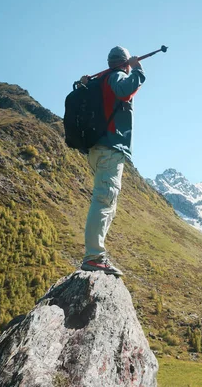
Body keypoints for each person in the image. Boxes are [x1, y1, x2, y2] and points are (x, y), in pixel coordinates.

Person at [80, 46, 146, 276]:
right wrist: (138, 70)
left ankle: (95, 255)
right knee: (104, 200)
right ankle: (94, 256)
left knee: (105, 200)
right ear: (124, 63)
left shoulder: (97, 81)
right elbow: (125, 89)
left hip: (97, 149)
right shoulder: (117, 77)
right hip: (110, 148)